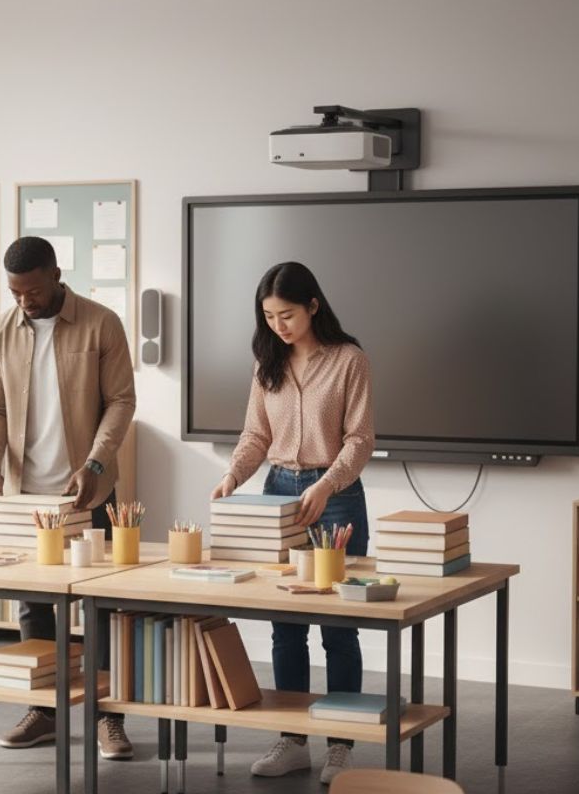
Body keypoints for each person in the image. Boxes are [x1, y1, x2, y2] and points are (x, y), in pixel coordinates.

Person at [210, 261, 373, 786]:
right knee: (285, 625)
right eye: (269, 316)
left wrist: (327, 485)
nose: (278, 325)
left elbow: (360, 439)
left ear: (313, 306)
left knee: (339, 629)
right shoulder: (267, 365)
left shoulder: (349, 360)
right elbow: (255, 436)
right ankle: (293, 741)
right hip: (276, 493)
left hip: (336, 496)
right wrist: (232, 478)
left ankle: (341, 746)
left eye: (287, 314)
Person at [0, 235, 136, 759]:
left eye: (32, 290)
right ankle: (45, 712)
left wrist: (94, 461)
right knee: (34, 610)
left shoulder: (101, 323)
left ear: (56, 274)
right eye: (15, 292)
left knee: (102, 608)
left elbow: (120, 400)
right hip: (28, 496)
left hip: (90, 490)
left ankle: (109, 717)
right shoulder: (1, 331)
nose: (24, 300)